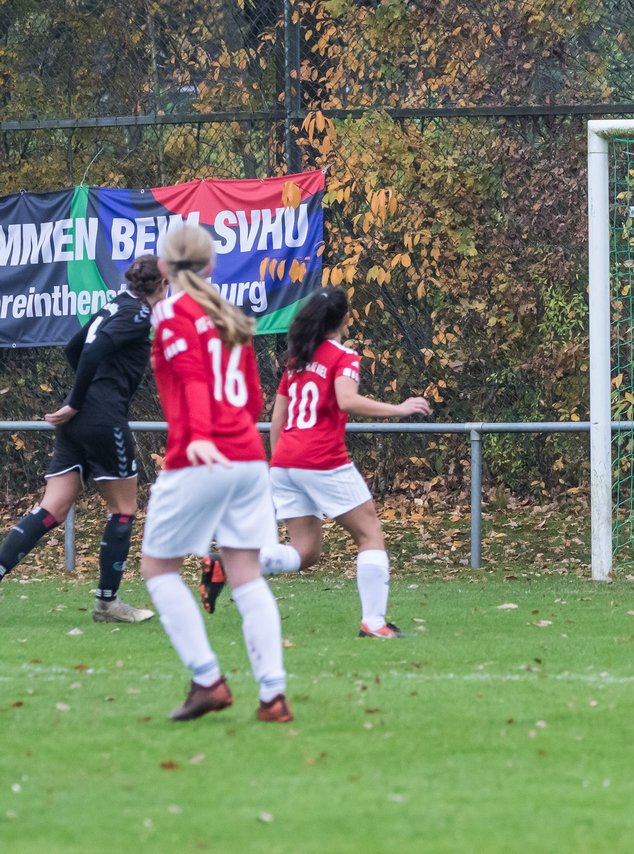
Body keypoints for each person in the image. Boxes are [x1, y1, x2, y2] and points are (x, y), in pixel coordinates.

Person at [200, 287, 431, 637]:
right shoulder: (343, 357)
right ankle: (374, 623)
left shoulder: (297, 360)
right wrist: (399, 409)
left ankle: (227, 564)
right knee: (370, 536)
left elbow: (278, 418)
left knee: (305, 552)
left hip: (286, 460)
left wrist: (279, 464)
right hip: (322, 459)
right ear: (345, 320)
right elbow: (347, 400)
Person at [138, 224, 290, 723]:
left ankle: (208, 680)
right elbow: (251, 399)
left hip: (201, 455)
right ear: (213, 265)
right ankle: (273, 696)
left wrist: (201, 433)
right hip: (247, 456)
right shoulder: (230, 315)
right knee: (246, 573)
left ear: (164, 268)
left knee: (158, 569)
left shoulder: (171, 313)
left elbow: (193, 378)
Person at [0, 257, 166, 622]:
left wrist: (79, 399)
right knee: (123, 509)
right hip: (101, 418)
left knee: (52, 507)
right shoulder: (138, 314)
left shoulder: (114, 305)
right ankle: (107, 604)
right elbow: (89, 351)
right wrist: (82, 400)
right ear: (162, 286)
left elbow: (73, 347)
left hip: (78, 420)